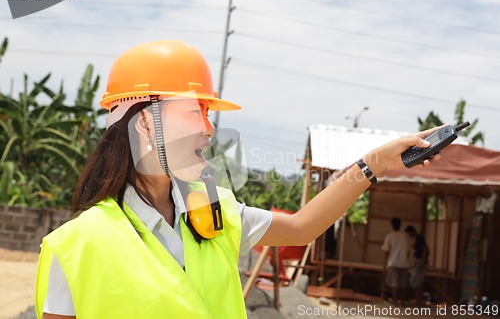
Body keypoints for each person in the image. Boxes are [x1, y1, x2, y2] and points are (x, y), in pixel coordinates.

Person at [35, 40, 441, 319]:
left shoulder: (213, 211)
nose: (209, 131)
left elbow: (303, 227)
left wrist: (376, 163)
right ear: (145, 122)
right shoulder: (73, 248)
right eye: (195, 113)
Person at [382, 217, 411, 305]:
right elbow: (408, 251)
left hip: (393, 262)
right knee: (403, 283)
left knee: (395, 283)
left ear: (392, 225)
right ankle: (401, 301)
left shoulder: (389, 236)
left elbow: (386, 251)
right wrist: (406, 259)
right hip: (404, 263)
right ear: (400, 225)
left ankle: (394, 300)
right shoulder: (406, 236)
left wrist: (384, 265)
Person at [405, 225, 428, 305]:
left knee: (417, 281)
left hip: (420, 261)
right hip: (418, 260)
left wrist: (423, 260)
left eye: (409, 234)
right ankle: (417, 299)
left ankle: (418, 299)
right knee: (415, 281)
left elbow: (424, 249)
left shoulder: (419, 238)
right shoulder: (417, 239)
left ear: (411, 232)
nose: (409, 236)